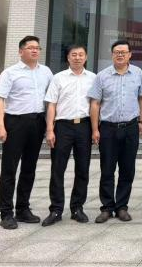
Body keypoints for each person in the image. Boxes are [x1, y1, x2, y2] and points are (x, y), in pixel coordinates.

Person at [0, 35, 53, 230]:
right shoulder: (10, 73)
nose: (35, 50)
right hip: (15, 122)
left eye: (37, 48)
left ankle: (22, 209)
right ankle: (6, 213)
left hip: (37, 122)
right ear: (21, 51)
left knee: (29, 168)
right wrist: (0, 126)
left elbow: (51, 99)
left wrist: (50, 126)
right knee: (9, 169)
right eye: (30, 47)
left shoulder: (46, 72)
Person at [88, 40, 142, 223]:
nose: (120, 55)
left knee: (127, 169)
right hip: (108, 128)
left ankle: (121, 207)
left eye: (123, 52)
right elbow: (95, 103)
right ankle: (106, 207)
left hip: (130, 128)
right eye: (117, 52)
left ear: (130, 55)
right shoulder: (102, 76)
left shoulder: (137, 73)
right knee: (107, 169)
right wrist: (95, 129)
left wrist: (141, 120)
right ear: (112, 54)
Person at [42, 44, 95, 227]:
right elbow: (51, 105)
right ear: (68, 57)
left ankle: (77, 208)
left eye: (81, 55)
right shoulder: (58, 78)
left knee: (83, 169)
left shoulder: (93, 78)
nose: (77, 58)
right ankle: (56, 209)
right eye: (74, 55)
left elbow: (96, 105)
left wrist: (95, 129)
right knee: (58, 169)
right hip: (62, 126)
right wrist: (50, 129)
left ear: (86, 57)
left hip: (84, 126)